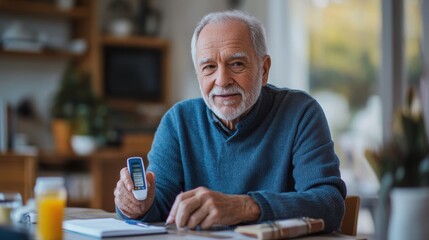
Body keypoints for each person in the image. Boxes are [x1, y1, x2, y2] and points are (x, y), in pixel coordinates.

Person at [114, 10, 347, 233]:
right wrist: (135, 205)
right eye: (209, 67)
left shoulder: (301, 113)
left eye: (236, 64)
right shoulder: (178, 121)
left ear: (263, 70)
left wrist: (243, 207)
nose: (222, 80)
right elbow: (159, 205)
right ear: (198, 74)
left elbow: (329, 204)